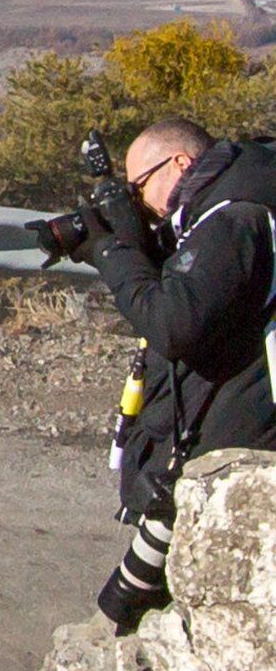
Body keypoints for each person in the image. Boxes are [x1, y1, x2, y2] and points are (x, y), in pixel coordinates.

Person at [76, 117, 276, 631]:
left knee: (148, 612)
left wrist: (112, 254)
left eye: (140, 187)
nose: (140, 203)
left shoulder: (234, 218)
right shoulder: (243, 197)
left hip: (243, 430)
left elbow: (175, 324)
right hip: (245, 417)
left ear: (181, 163)